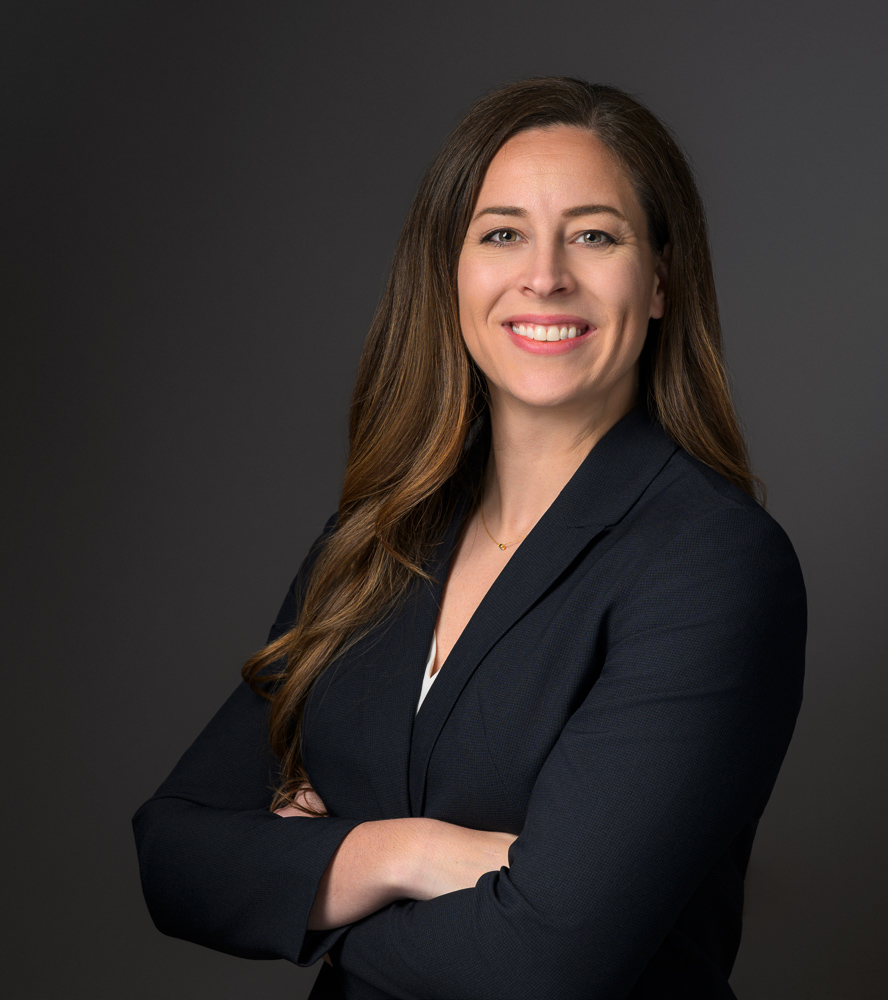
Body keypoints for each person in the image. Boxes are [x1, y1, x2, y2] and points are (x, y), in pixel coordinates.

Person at [133, 76, 807, 999]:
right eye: (501, 234)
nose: (545, 275)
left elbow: (544, 962)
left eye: (594, 235)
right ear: (449, 273)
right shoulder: (374, 542)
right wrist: (405, 854)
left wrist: (307, 884)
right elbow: (173, 855)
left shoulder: (712, 564)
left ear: (659, 280)